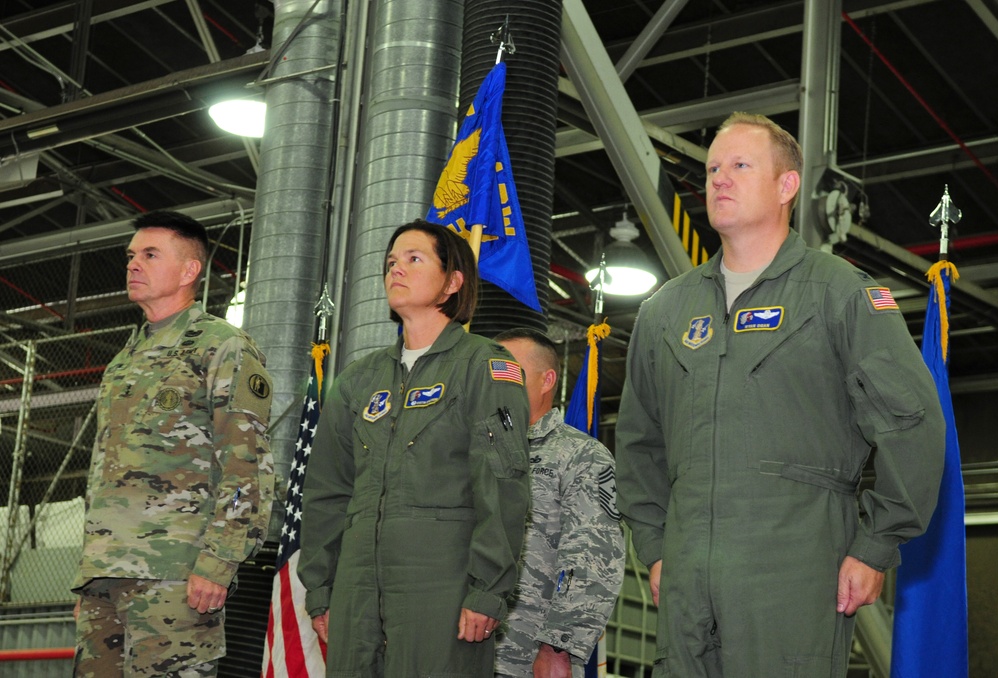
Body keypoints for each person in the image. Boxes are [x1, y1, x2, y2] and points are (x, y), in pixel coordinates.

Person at [615, 112, 945, 677]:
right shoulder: (664, 312)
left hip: (795, 570)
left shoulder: (839, 293)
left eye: (740, 165)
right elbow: (639, 443)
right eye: (713, 167)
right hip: (688, 574)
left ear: (787, 185)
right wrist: (656, 547)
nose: (719, 178)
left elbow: (912, 422)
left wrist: (875, 546)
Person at [298, 219, 531, 677]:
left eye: (413, 259)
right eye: (390, 262)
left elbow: (502, 485)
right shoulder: (357, 381)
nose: (395, 270)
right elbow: (326, 491)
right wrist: (322, 587)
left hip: (441, 583)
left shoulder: (485, 366)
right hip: (356, 587)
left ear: (452, 282)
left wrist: (488, 589)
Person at [72, 210, 275, 677]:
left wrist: (219, 562)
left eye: (149, 254)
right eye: (130, 256)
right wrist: (88, 579)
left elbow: (249, 465)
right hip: (105, 576)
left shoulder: (222, 346)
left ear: (189, 271)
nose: (133, 265)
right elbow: (102, 472)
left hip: (176, 575)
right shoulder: (123, 361)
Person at [493, 328, 625, 678]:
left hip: (525, 658)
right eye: (491, 371)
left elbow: (592, 556)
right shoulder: (465, 453)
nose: (496, 381)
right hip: (452, 651)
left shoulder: (579, 455)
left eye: (509, 370)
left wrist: (559, 648)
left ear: (546, 379)